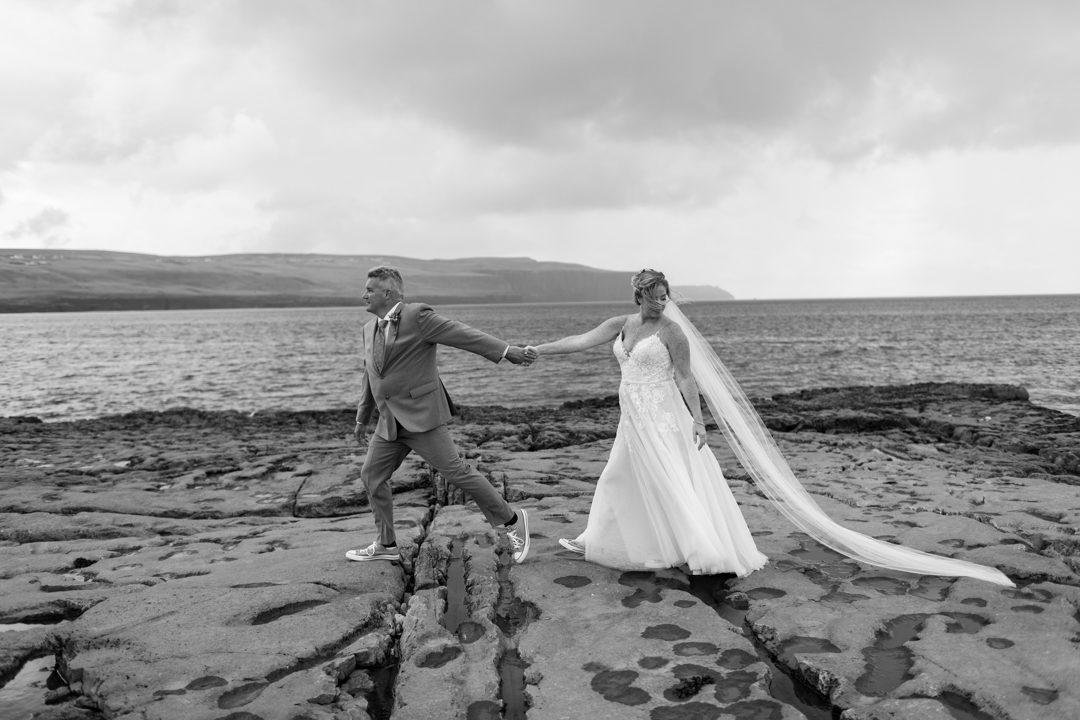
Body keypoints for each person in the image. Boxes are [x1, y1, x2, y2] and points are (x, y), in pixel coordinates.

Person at [524, 269, 1014, 586]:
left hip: (664, 417)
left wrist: (699, 422)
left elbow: (687, 379)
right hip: (633, 417)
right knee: (624, 477)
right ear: (638, 296)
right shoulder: (622, 324)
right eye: (654, 297)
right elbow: (580, 340)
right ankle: (612, 539)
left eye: (665, 295)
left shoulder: (672, 331)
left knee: (668, 481)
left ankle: (697, 547)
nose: (662, 302)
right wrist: (536, 351)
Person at [347, 266, 532, 564]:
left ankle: (512, 521)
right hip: (389, 421)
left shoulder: (417, 316)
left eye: (369, 290)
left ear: (388, 293)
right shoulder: (368, 329)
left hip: (422, 416)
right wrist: (362, 417)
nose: (363, 295)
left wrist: (506, 350)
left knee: (457, 472)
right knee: (371, 476)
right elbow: (370, 376)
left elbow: (461, 334)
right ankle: (386, 544)